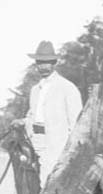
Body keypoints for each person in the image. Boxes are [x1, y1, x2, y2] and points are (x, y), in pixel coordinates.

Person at [14, 40, 83, 186]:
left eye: (48, 62)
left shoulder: (67, 88)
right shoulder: (35, 90)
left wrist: (70, 151)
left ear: (54, 63)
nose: (44, 66)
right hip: (35, 140)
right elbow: (32, 115)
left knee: (48, 181)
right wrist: (22, 122)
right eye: (40, 62)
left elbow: (77, 123)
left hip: (57, 143)